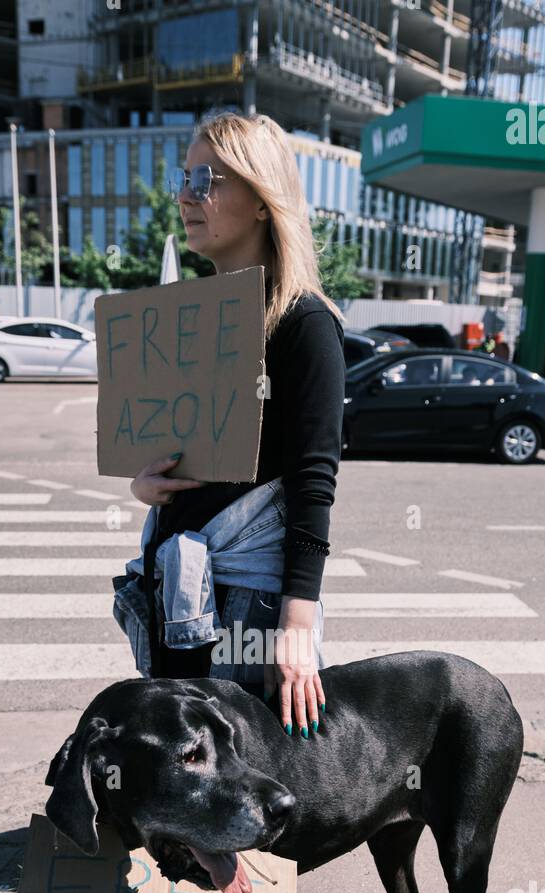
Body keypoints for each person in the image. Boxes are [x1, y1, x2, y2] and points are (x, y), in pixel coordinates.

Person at [112, 109, 346, 739]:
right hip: (178, 585)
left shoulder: (304, 323)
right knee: (186, 776)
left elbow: (313, 481)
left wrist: (299, 626)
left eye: (209, 179)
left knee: (236, 780)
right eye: (185, 177)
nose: (188, 195)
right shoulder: (189, 318)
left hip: (249, 600)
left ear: (264, 200)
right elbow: (180, 449)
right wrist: (148, 486)